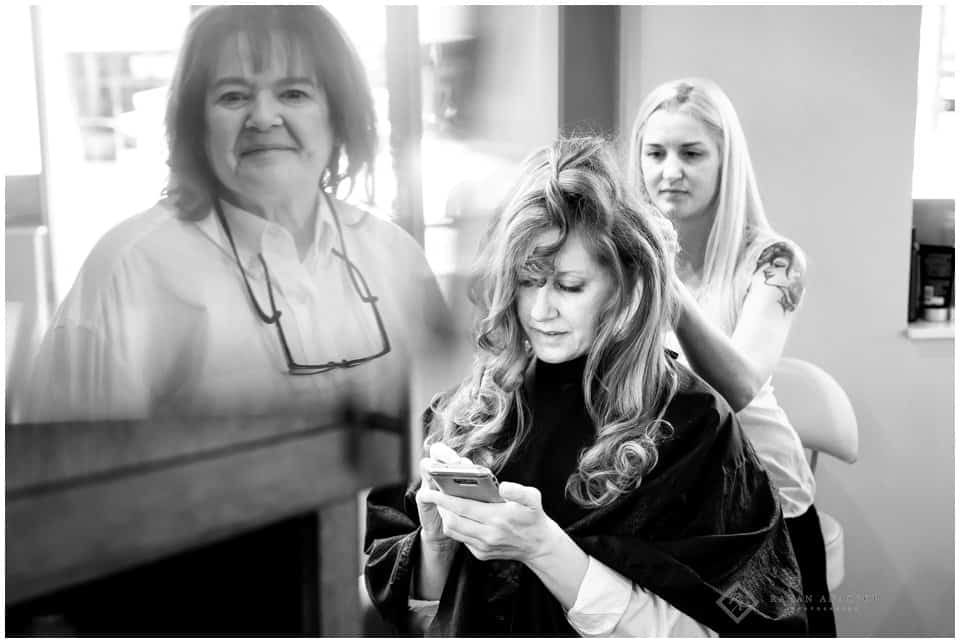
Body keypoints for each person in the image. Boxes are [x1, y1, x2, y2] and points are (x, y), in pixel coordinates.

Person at [364, 137, 807, 636]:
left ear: (624, 283)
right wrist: (437, 541)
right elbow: (419, 609)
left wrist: (545, 550)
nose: (539, 311)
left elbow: (721, 628)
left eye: (569, 287)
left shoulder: (691, 426)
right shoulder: (471, 409)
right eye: (527, 281)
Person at [24, 5, 449, 423]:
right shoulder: (128, 267)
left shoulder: (396, 255)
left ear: (338, 115)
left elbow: (460, 433)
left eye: (293, 93)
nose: (263, 117)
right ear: (196, 123)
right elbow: (60, 473)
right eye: (233, 96)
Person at [627, 78, 835, 635]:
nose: (670, 170)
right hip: (678, 501)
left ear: (726, 162)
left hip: (769, 501)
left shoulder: (774, 260)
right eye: (655, 153)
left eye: (692, 153)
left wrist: (663, 283)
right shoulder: (625, 259)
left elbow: (740, 387)